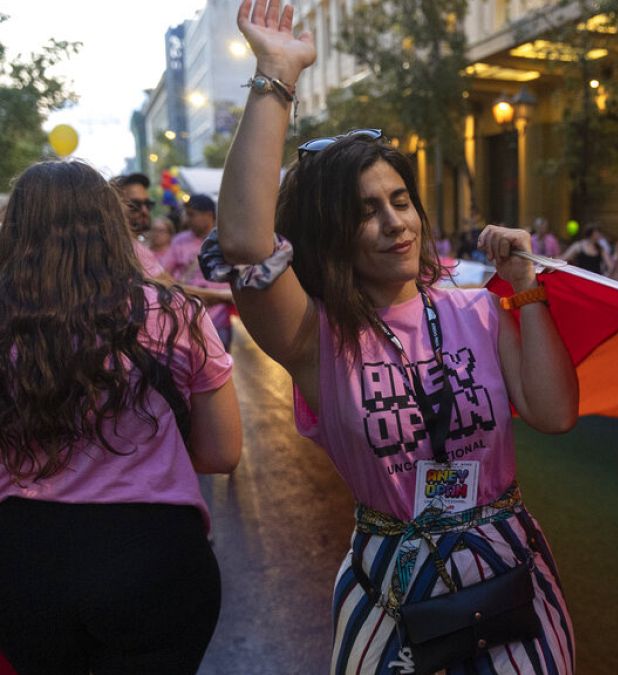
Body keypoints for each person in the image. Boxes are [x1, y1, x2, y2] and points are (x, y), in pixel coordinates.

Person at [210, 3, 579, 673]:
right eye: (365, 211)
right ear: (331, 234)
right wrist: (276, 75)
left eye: (400, 200)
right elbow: (242, 241)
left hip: (513, 573)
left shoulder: (480, 309)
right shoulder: (312, 335)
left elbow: (554, 414)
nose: (393, 222)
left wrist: (526, 283)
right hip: (392, 594)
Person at [0, 160, 242, 674]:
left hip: (21, 558)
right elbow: (221, 454)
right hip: (152, 556)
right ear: (112, 227)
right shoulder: (175, 314)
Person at [161, 194, 236, 350]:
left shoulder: (227, 240)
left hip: (220, 319)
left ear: (208, 215)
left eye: (192, 215)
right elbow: (163, 275)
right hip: (186, 319)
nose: (187, 220)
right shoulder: (179, 241)